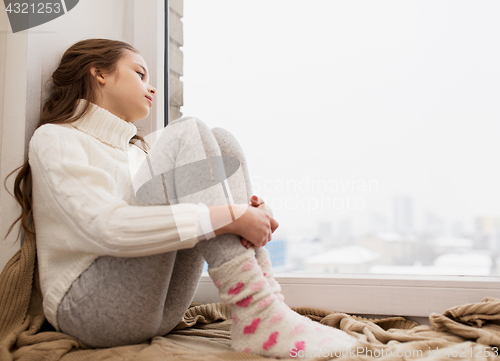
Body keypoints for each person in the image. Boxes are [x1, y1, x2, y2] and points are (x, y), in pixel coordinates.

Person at [4, 38, 356, 358]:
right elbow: (106, 228)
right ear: (99, 73)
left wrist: (242, 212)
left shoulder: (139, 155)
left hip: (161, 309)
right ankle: (258, 310)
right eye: (140, 74)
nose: (151, 87)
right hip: (88, 309)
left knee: (222, 141)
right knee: (187, 131)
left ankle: (263, 307)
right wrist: (226, 216)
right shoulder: (57, 139)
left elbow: (176, 220)